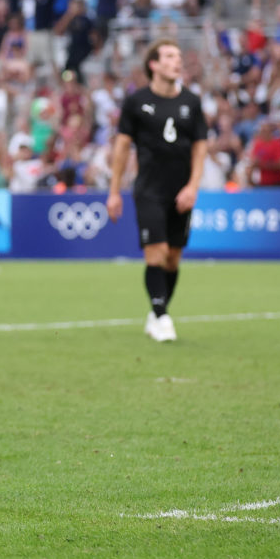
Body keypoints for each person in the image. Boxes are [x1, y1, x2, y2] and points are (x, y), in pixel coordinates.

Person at [107, 39, 207, 343]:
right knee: (157, 252)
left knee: (173, 258)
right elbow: (122, 147)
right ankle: (162, 317)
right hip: (149, 189)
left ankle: (156, 310)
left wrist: (192, 186)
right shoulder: (136, 102)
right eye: (169, 56)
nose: (177, 61)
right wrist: (113, 192)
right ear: (153, 64)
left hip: (181, 192)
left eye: (179, 56)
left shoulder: (192, 102)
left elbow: (201, 148)